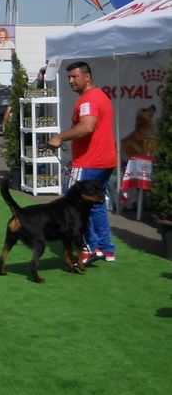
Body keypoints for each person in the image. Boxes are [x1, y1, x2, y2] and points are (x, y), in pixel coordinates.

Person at [48, 61, 117, 264]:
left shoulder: (88, 99)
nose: (71, 81)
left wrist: (60, 137)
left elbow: (87, 127)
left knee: (74, 206)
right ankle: (106, 249)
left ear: (87, 77)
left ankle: (89, 247)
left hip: (89, 162)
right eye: (69, 77)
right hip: (104, 160)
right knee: (97, 205)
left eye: (74, 76)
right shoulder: (99, 96)